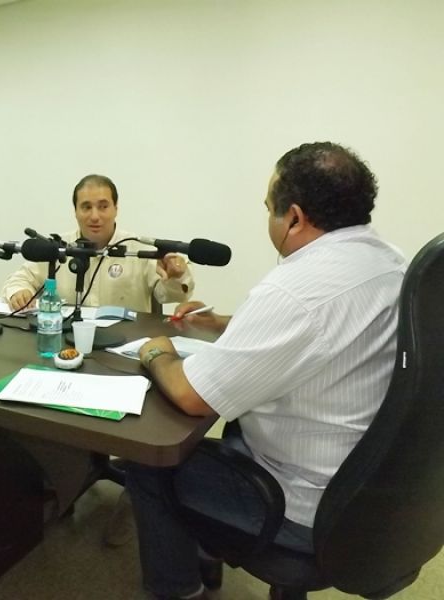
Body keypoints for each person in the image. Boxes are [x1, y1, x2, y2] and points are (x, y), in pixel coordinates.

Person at [127, 142, 406, 600]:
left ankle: (179, 590)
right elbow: (324, 331)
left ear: (293, 217)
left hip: (301, 506)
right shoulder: (389, 262)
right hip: (370, 491)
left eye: (267, 207)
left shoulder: (295, 289)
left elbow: (192, 396)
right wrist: (223, 323)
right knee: (224, 438)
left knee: (149, 463)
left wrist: (157, 351)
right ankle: (207, 551)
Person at [1, 174, 195, 313]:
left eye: (103, 207)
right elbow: (18, 280)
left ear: (116, 209)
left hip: (125, 345)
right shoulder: (57, 247)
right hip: (66, 343)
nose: (95, 216)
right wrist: (20, 292)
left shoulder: (140, 249)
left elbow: (167, 295)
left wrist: (175, 277)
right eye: (86, 207)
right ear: (75, 211)